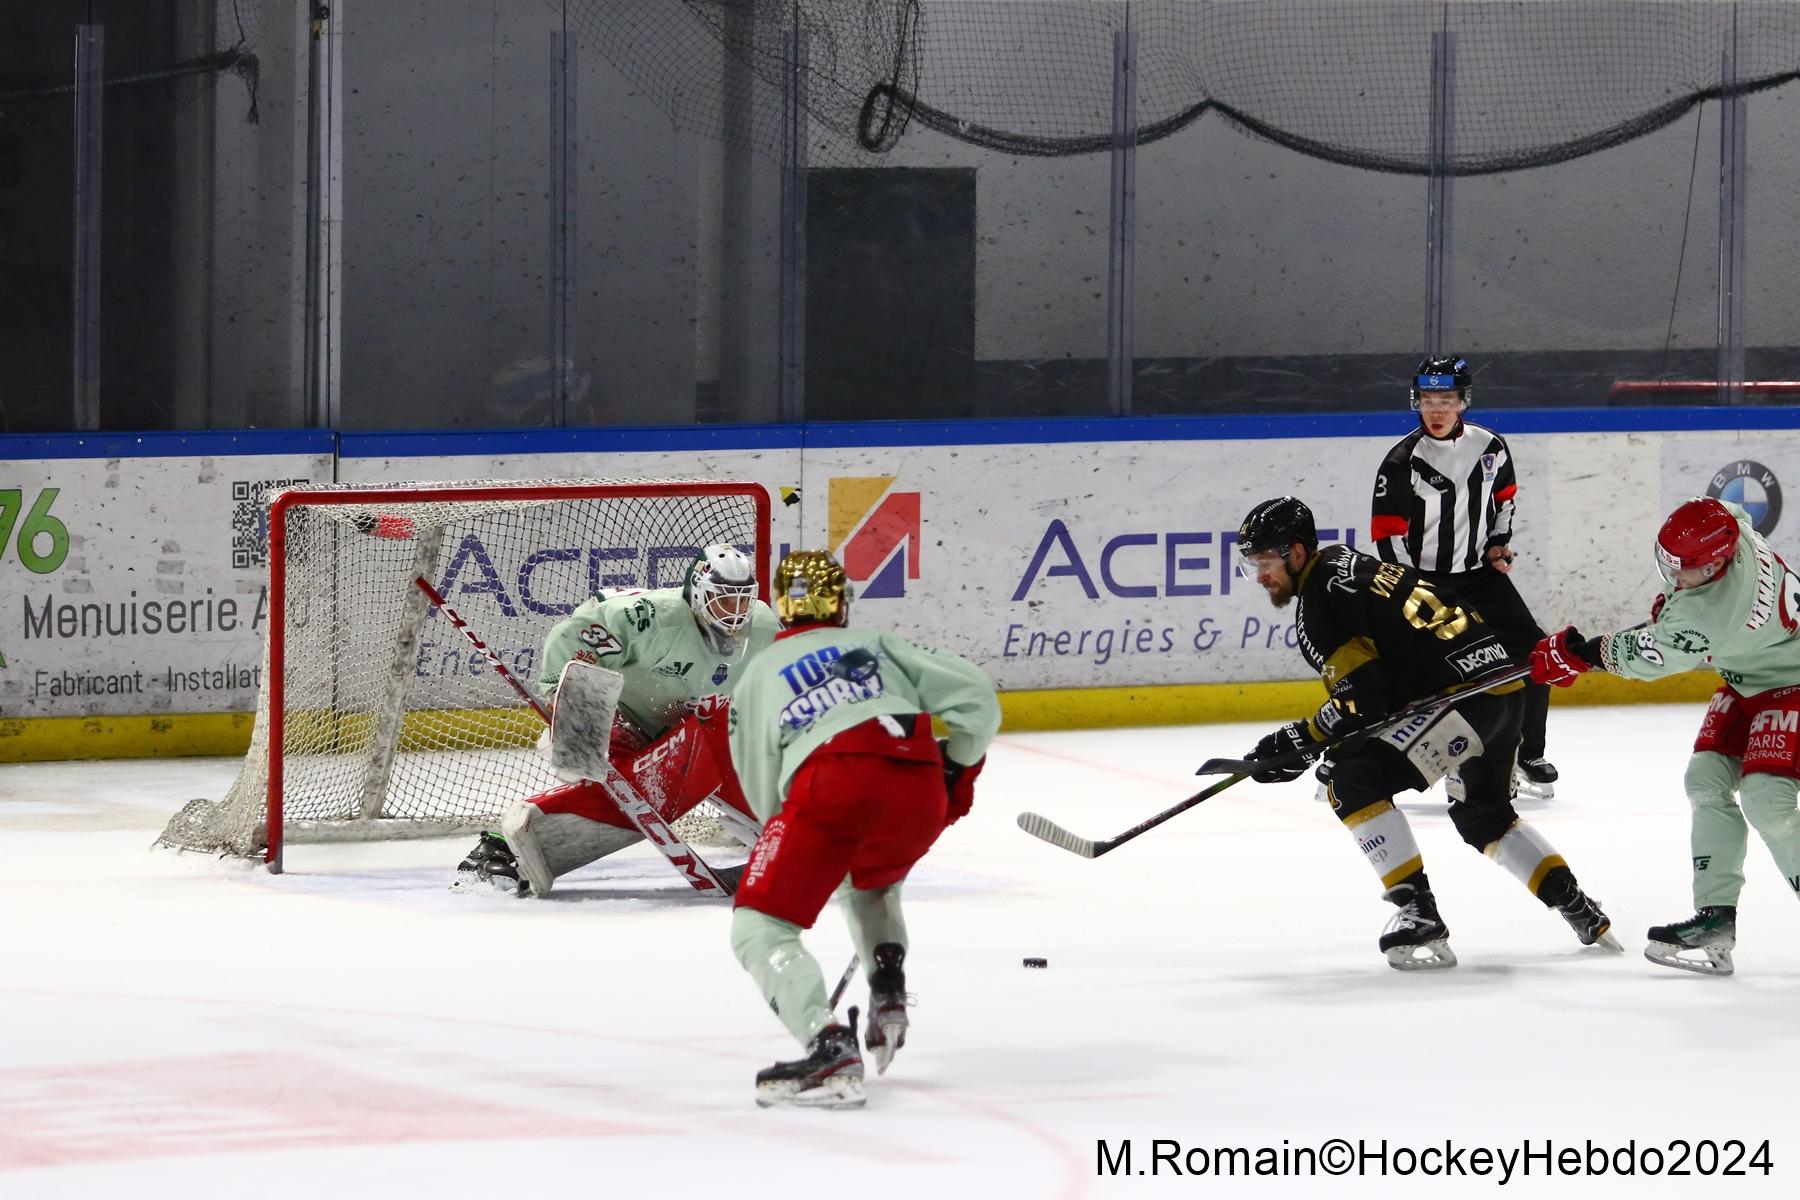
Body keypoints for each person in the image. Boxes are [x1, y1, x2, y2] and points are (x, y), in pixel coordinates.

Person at [1236, 495, 1616, 970]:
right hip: (1501, 694)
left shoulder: (1321, 601)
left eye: (1265, 563)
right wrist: (1313, 738)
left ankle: (1418, 911)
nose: (1260, 576)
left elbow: (1363, 701)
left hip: (1460, 701)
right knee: (1484, 817)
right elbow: (1381, 690)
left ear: (1295, 553)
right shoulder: (1346, 564)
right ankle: (1577, 905)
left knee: (1350, 781)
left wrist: (1301, 738)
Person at [725, 549, 999, 1109]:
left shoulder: (757, 674)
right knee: (871, 883)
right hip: (916, 780)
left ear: (781, 608)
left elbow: (761, 784)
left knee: (759, 927)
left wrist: (795, 843)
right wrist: (955, 769)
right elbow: (978, 702)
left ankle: (827, 1044)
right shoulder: (876, 644)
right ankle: (888, 988)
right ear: (841, 605)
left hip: (831, 783)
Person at [1531, 497, 1800, 976]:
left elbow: (1647, 656)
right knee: (1705, 780)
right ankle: (1716, 917)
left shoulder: (1710, 613)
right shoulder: (1732, 524)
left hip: (1792, 683)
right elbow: (1724, 515)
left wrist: (1581, 655)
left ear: (1716, 565)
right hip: (1750, 677)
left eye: (1683, 572)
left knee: (1767, 801)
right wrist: (1674, 607)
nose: (1673, 578)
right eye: (1668, 566)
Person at [453, 544, 779, 896]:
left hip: (694, 723)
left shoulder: (763, 627)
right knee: (653, 790)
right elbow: (574, 635)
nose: (734, 611)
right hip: (625, 718)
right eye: (723, 599)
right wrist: (572, 707)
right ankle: (503, 848)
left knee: (740, 756)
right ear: (698, 593)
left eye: (742, 600)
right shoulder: (651, 618)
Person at [1371, 355, 1559, 799]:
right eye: (1428, 400)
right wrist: (1409, 591)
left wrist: (1497, 543)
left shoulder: (1490, 446)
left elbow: (1505, 498)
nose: (1436, 410)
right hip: (1426, 583)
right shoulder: (1402, 460)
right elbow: (1387, 535)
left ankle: (1528, 754)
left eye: (1446, 400)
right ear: (1416, 401)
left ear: (1462, 401)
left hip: (1479, 578)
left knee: (1536, 654)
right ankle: (1354, 757)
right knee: (1403, 672)